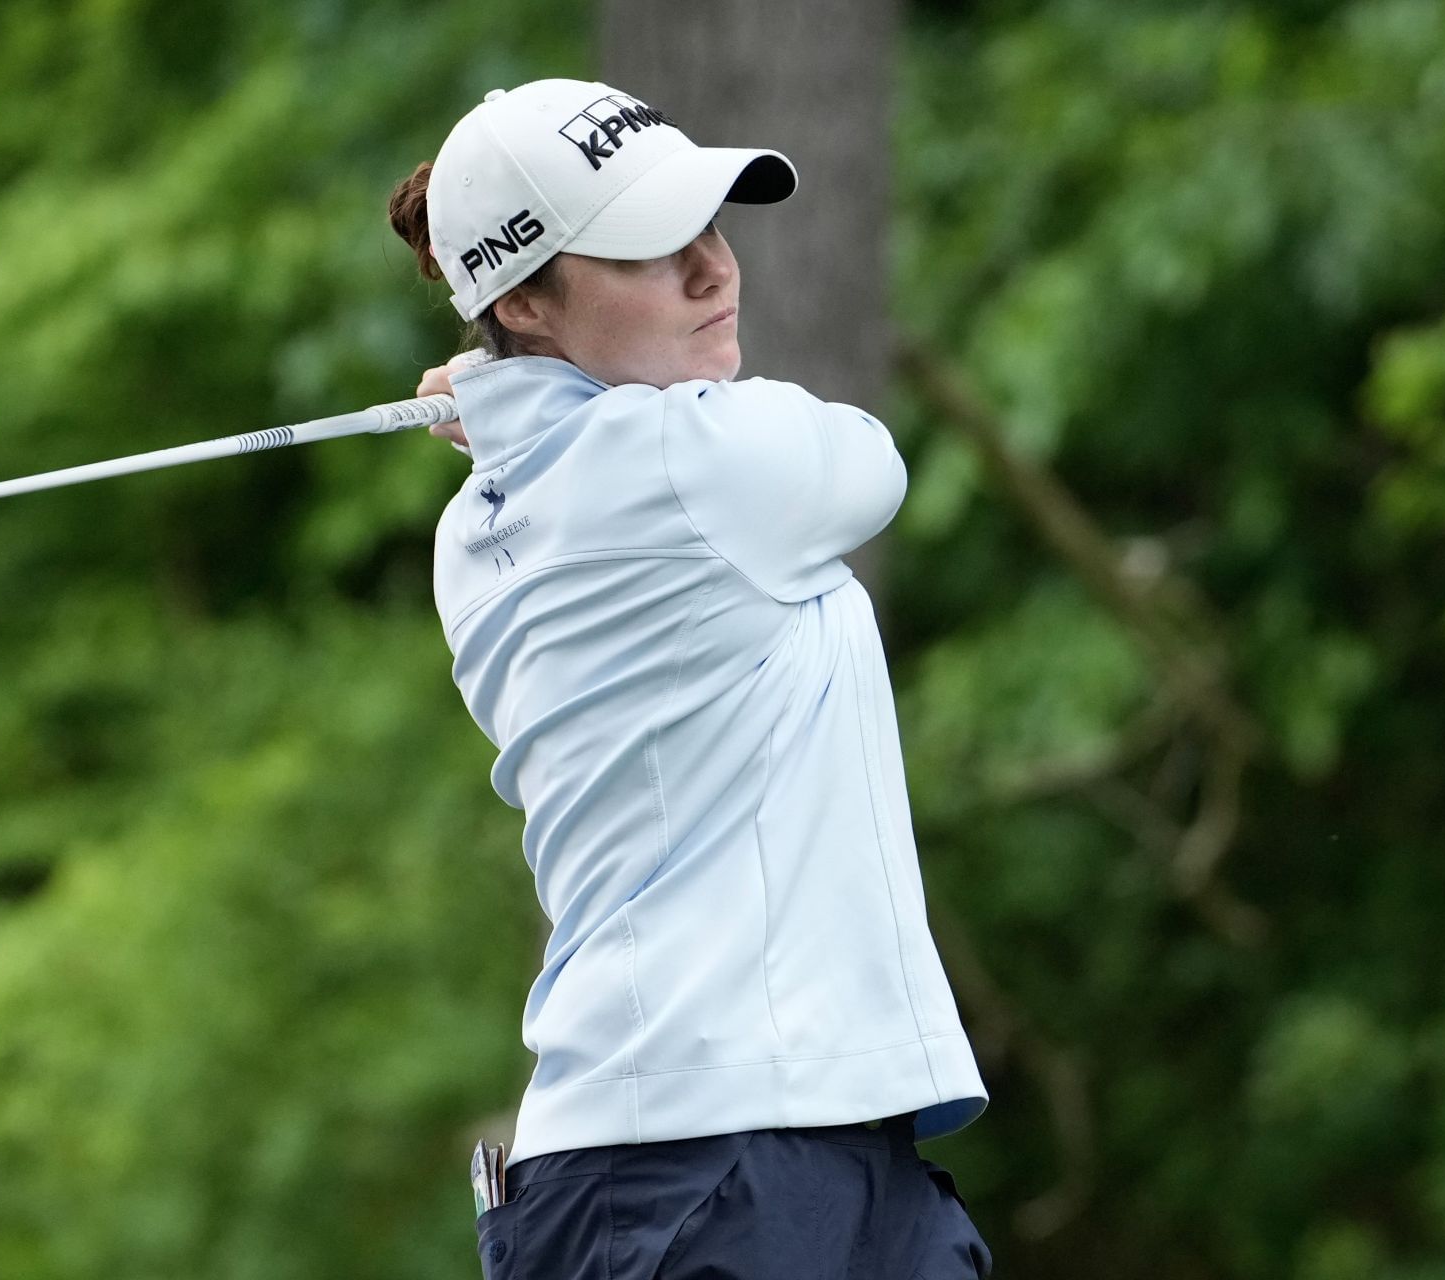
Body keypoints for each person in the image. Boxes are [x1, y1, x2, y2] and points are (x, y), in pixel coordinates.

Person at [388, 79, 993, 1280]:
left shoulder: (482, 525)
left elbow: (584, 453)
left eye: (710, 227)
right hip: (703, 1161)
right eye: (650, 248)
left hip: (775, 1144)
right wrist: (507, 399)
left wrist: (508, 396)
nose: (715, 269)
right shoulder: (687, 460)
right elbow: (867, 461)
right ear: (520, 296)